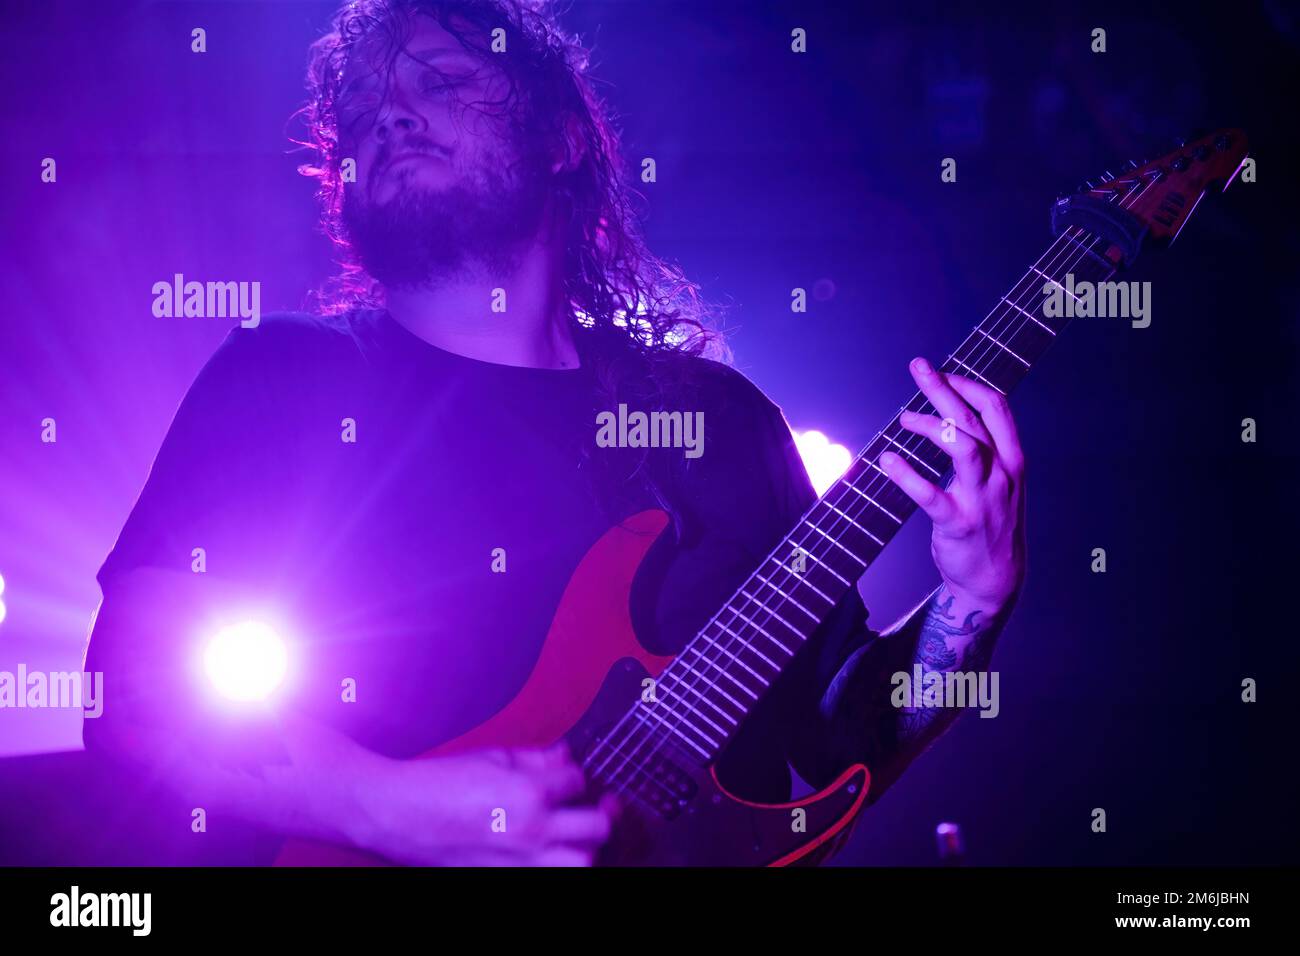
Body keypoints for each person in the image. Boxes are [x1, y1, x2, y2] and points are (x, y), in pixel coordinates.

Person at [83, 0, 1026, 866]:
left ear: (564, 140)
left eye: (440, 82)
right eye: (365, 102)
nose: (391, 113)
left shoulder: (723, 425)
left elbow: (845, 737)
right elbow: (134, 693)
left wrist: (970, 601)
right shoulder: (284, 378)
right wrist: (397, 810)